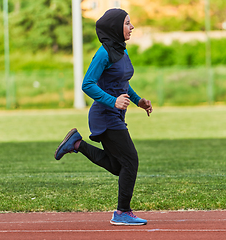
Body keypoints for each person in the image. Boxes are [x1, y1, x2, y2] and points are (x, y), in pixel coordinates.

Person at [54, 8, 152, 226]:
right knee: (130, 161)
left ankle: (77, 143)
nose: (132, 27)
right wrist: (113, 101)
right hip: (104, 115)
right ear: (115, 27)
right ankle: (122, 212)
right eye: (127, 23)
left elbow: (122, 83)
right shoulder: (104, 53)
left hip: (114, 114)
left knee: (120, 167)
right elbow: (87, 84)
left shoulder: (121, 51)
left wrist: (138, 101)